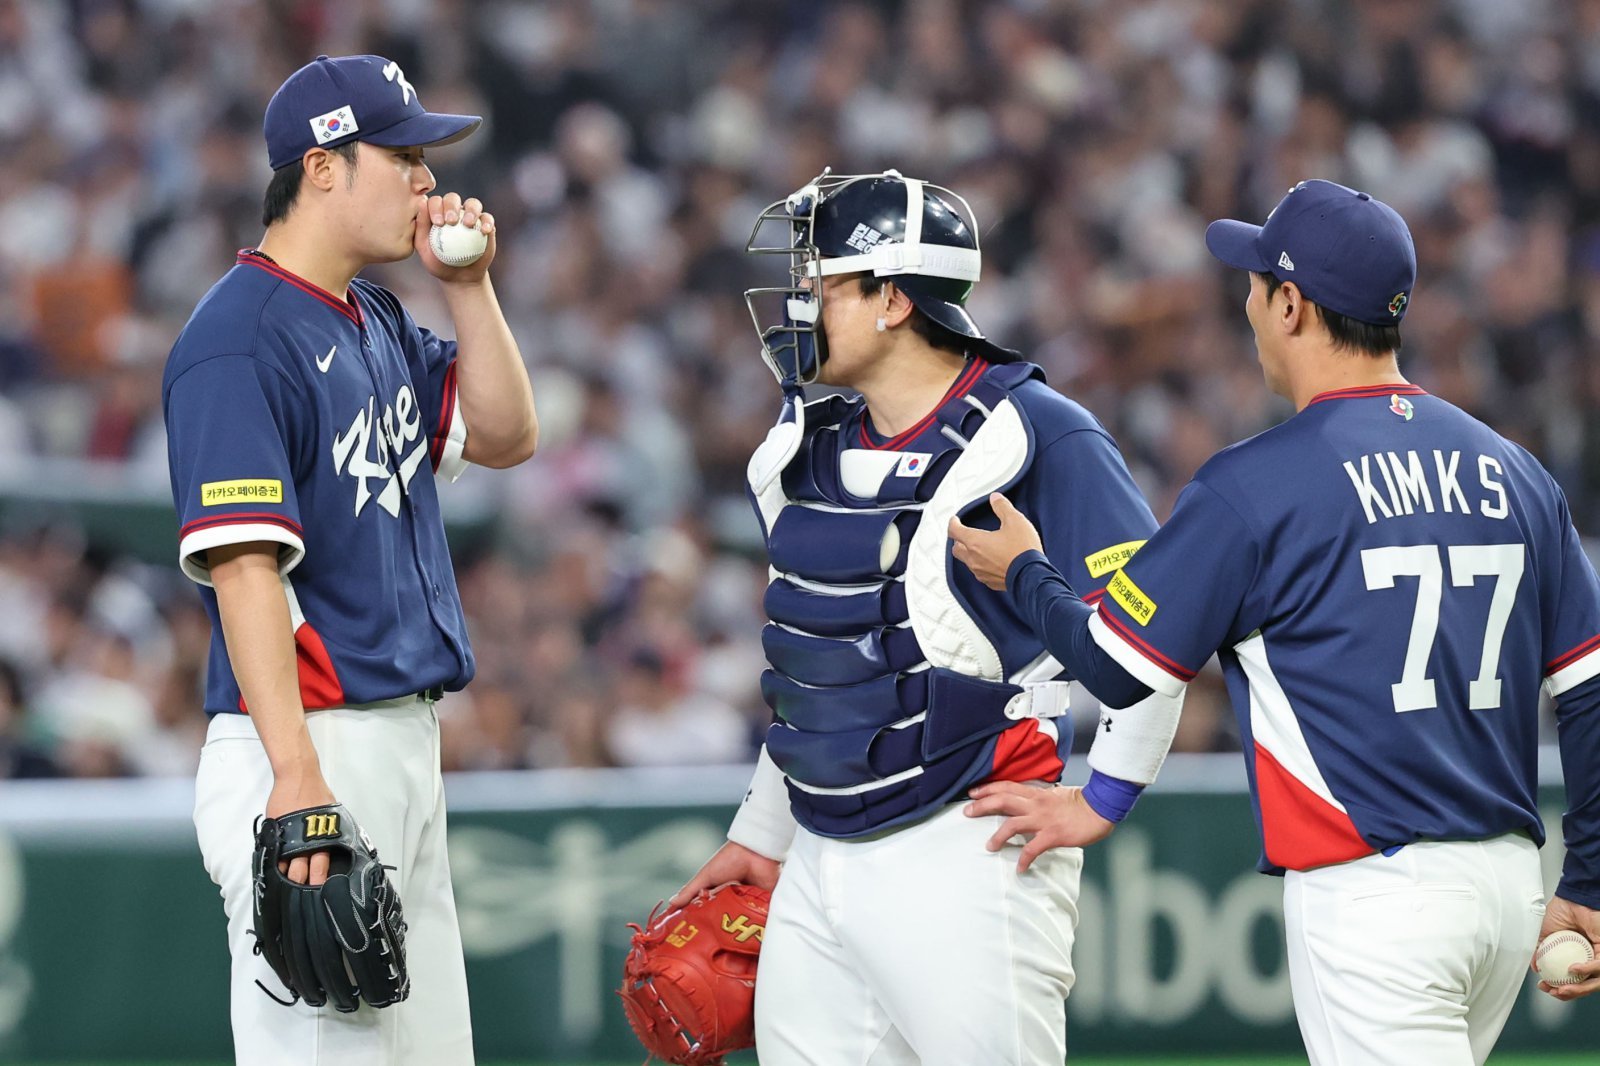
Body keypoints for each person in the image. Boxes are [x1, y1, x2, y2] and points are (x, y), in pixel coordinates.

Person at [949, 179, 1600, 1065]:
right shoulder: (1516, 471)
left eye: (1257, 283)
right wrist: (1590, 874)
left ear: (1292, 304)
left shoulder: (1256, 483)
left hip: (1378, 893)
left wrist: (1023, 574)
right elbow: (1591, 694)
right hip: (1505, 889)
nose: (1248, 301)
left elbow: (1114, 669)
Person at [669, 169, 1185, 1064]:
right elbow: (815, 666)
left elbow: (1158, 637)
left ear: (893, 299)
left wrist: (1104, 796)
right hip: (818, 855)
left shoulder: (1038, 432)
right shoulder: (807, 446)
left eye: (820, 281)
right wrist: (761, 835)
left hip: (968, 843)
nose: (797, 304)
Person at [162, 54, 537, 1066]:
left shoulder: (373, 317)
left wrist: (469, 288)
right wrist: (296, 780)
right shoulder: (235, 340)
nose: (426, 179)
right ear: (322, 167)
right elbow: (245, 571)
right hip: (311, 743)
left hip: (399, 742)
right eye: (403, 153)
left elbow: (505, 434)